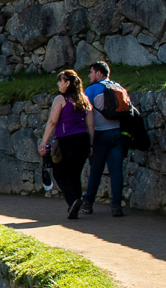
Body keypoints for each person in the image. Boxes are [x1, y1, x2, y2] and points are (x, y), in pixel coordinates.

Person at [37, 70, 96, 221]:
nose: (58, 84)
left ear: (67, 83)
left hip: (66, 140)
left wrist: (44, 141)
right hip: (82, 140)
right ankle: (74, 205)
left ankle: (73, 201)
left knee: (59, 173)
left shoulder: (61, 99)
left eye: (60, 81)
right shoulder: (85, 100)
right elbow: (90, 125)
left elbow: (52, 121)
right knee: (75, 174)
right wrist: (90, 144)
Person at [82, 61, 134, 217]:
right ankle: (116, 206)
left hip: (99, 134)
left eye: (91, 72)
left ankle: (88, 203)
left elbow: (85, 112)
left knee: (95, 171)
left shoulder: (91, 90)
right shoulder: (118, 87)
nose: (90, 75)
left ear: (99, 73)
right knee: (116, 171)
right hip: (117, 134)